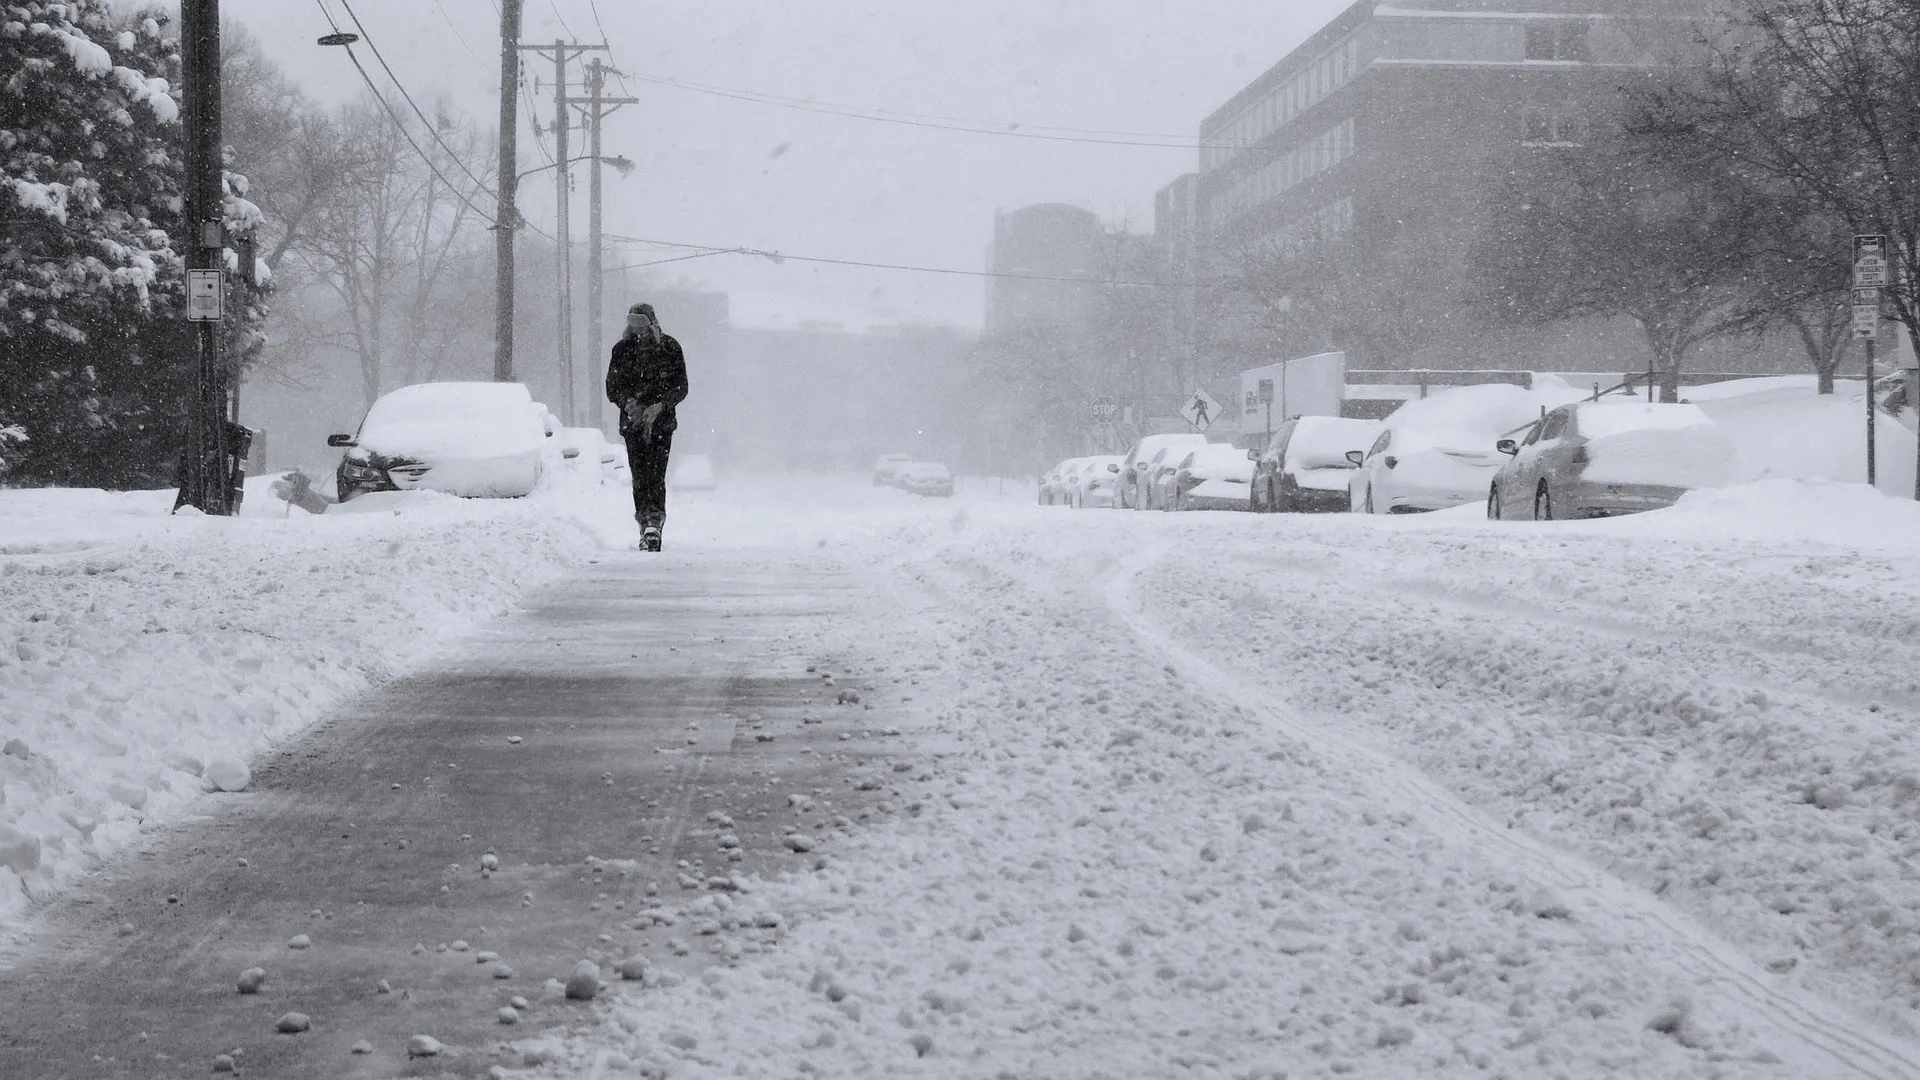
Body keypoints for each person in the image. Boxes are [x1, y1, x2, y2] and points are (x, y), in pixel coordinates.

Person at [605, 302, 688, 551]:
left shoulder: (670, 348)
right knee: (640, 476)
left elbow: (681, 386)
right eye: (633, 326)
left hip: (661, 425)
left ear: (652, 324)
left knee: (656, 475)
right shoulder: (621, 350)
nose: (638, 332)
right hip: (632, 425)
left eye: (642, 326)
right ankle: (644, 521)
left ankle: (655, 522)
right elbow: (613, 387)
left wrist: (659, 406)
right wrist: (629, 403)